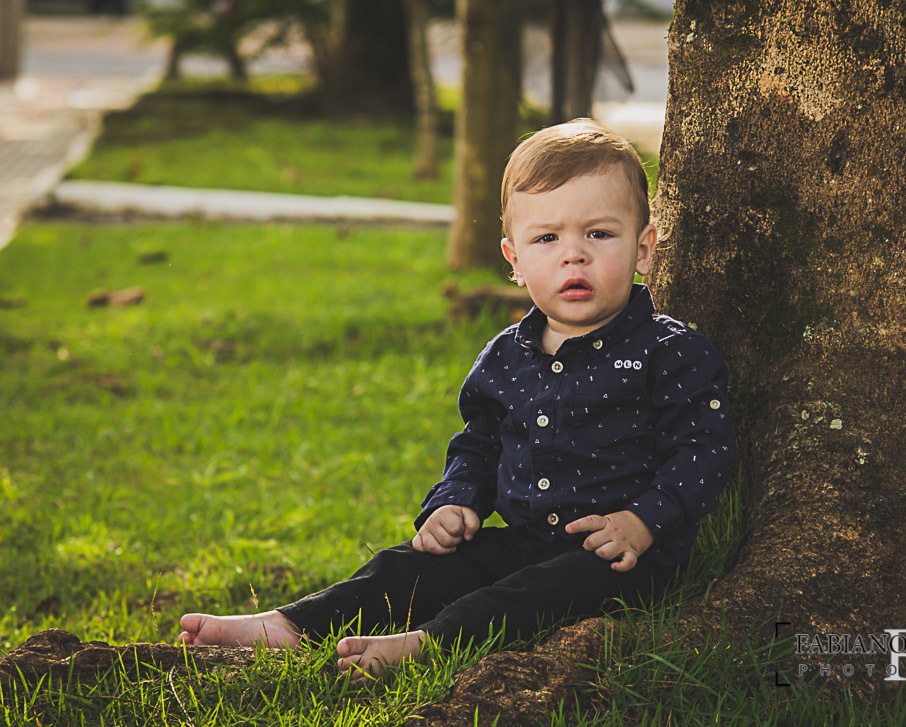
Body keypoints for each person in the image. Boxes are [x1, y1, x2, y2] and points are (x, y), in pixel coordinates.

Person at [179, 119, 736, 683]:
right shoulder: (506, 356)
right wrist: (454, 502)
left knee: (527, 594)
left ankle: (428, 643)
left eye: (598, 234)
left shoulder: (669, 352)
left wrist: (643, 521)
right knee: (407, 567)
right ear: (513, 260)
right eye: (547, 239)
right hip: (522, 541)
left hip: (619, 558)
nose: (574, 255)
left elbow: (705, 450)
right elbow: (478, 446)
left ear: (643, 248)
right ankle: (292, 624)